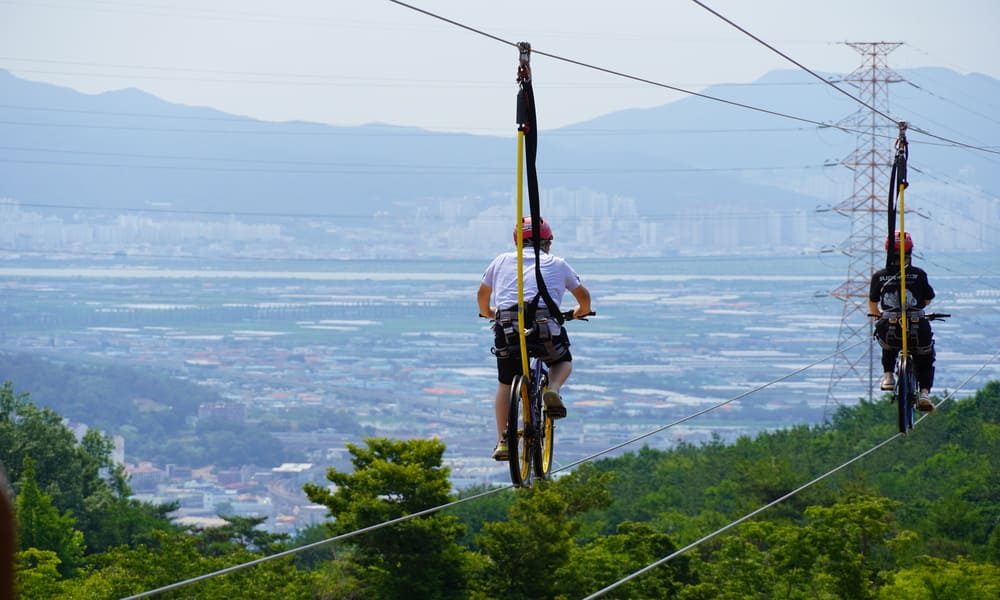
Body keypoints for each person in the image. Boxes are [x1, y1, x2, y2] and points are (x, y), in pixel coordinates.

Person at [478, 216, 592, 460]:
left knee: (506, 384)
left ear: (518, 242)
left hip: (507, 329)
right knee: (563, 361)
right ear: (548, 242)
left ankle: (503, 441)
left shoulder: (500, 261)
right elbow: (584, 297)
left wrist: (488, 313)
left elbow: (482, 294)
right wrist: (579, 312)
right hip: (545, 330)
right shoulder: (558, 264)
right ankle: (552, 388)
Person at [868, 231, 937, 412]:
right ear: (910, 252)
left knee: (888, 347)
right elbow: (928, 300)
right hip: (918, 325)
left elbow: (873, 305)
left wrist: (879, 315)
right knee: (926, 357)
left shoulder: (879, 276)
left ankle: (888, 376)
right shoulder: (919, 274)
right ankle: (923, 393)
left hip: (889, 326)